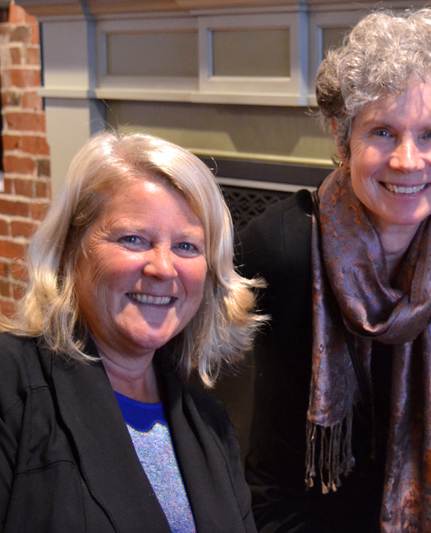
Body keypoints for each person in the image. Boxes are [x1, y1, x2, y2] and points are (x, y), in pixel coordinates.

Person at [237, 8, 431, 532]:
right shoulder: (279, 249)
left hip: (425, 508)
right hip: (296, 511)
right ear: (343, 138)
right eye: (384, 132)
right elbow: (272, 450)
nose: (408, 161)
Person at [0, 131, 265, 531]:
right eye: (134, 239)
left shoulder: (210, 422)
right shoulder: (10, 385)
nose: (163, 267)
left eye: (187, 247)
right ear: (73, 250)